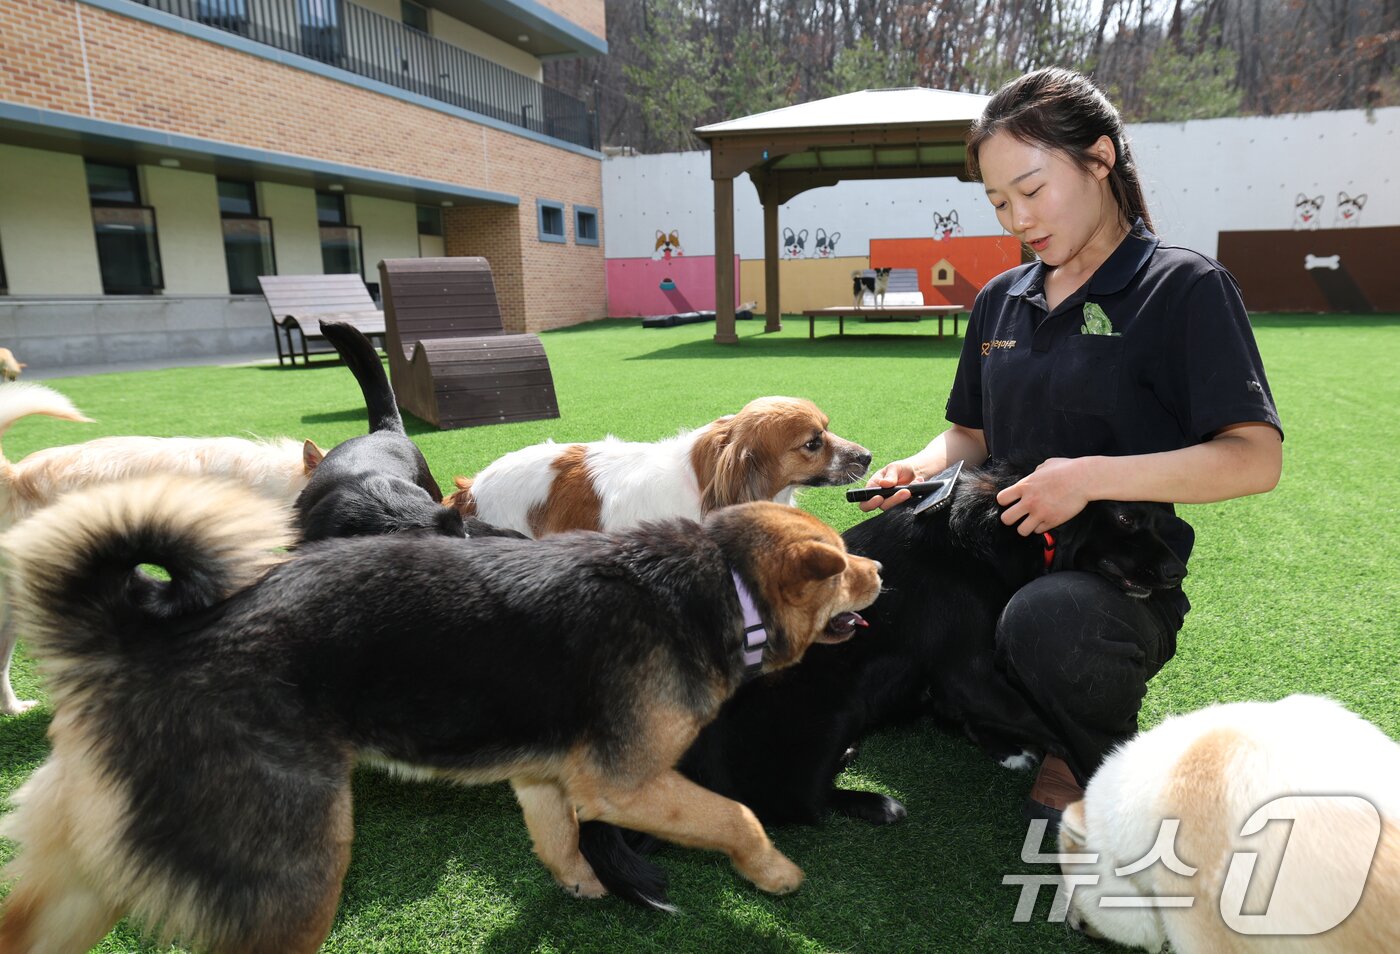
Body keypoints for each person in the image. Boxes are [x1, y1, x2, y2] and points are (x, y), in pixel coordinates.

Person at [860, 66, 1283, 822]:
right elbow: (969, 433)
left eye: (1031, 189)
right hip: (990, 555)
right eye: (997, 202)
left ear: (1099, 158)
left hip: (1107, 581)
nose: (1017, 218)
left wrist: (1089, 478)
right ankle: (954, 698)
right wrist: (917, 470)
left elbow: (1255, 457)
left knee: (1048, 624)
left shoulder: (1182, 288)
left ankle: (1084, 744)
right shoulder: (1000, 298)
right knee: (848, 567)